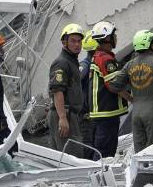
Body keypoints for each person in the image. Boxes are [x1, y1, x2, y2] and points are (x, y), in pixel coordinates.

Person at [109, 30, 153, 153]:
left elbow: (114, 86)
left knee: (140, 153)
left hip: (137, 114)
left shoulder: (129, 65)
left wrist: (131, 99)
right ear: (151, 45)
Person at [84, 20, 128, 161]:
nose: (116, 38)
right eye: (114, 35)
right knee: (104, 153)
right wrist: (133, 99)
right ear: (107, 38)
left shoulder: (98, 56)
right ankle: (99, 179)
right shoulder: (105, 59)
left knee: (101, 149)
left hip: (101, 114)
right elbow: (115, 86)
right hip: (107, 114)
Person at [48, 22, 86, 156]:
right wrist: (62, 118)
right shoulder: (62, 62)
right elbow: (57, 91)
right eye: (73, 41)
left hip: (70, 115)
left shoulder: (71, 62)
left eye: (79, 41)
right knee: (70, 156)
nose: (77, 44)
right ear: (64, 42)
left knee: (66, 155)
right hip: (65, 114)